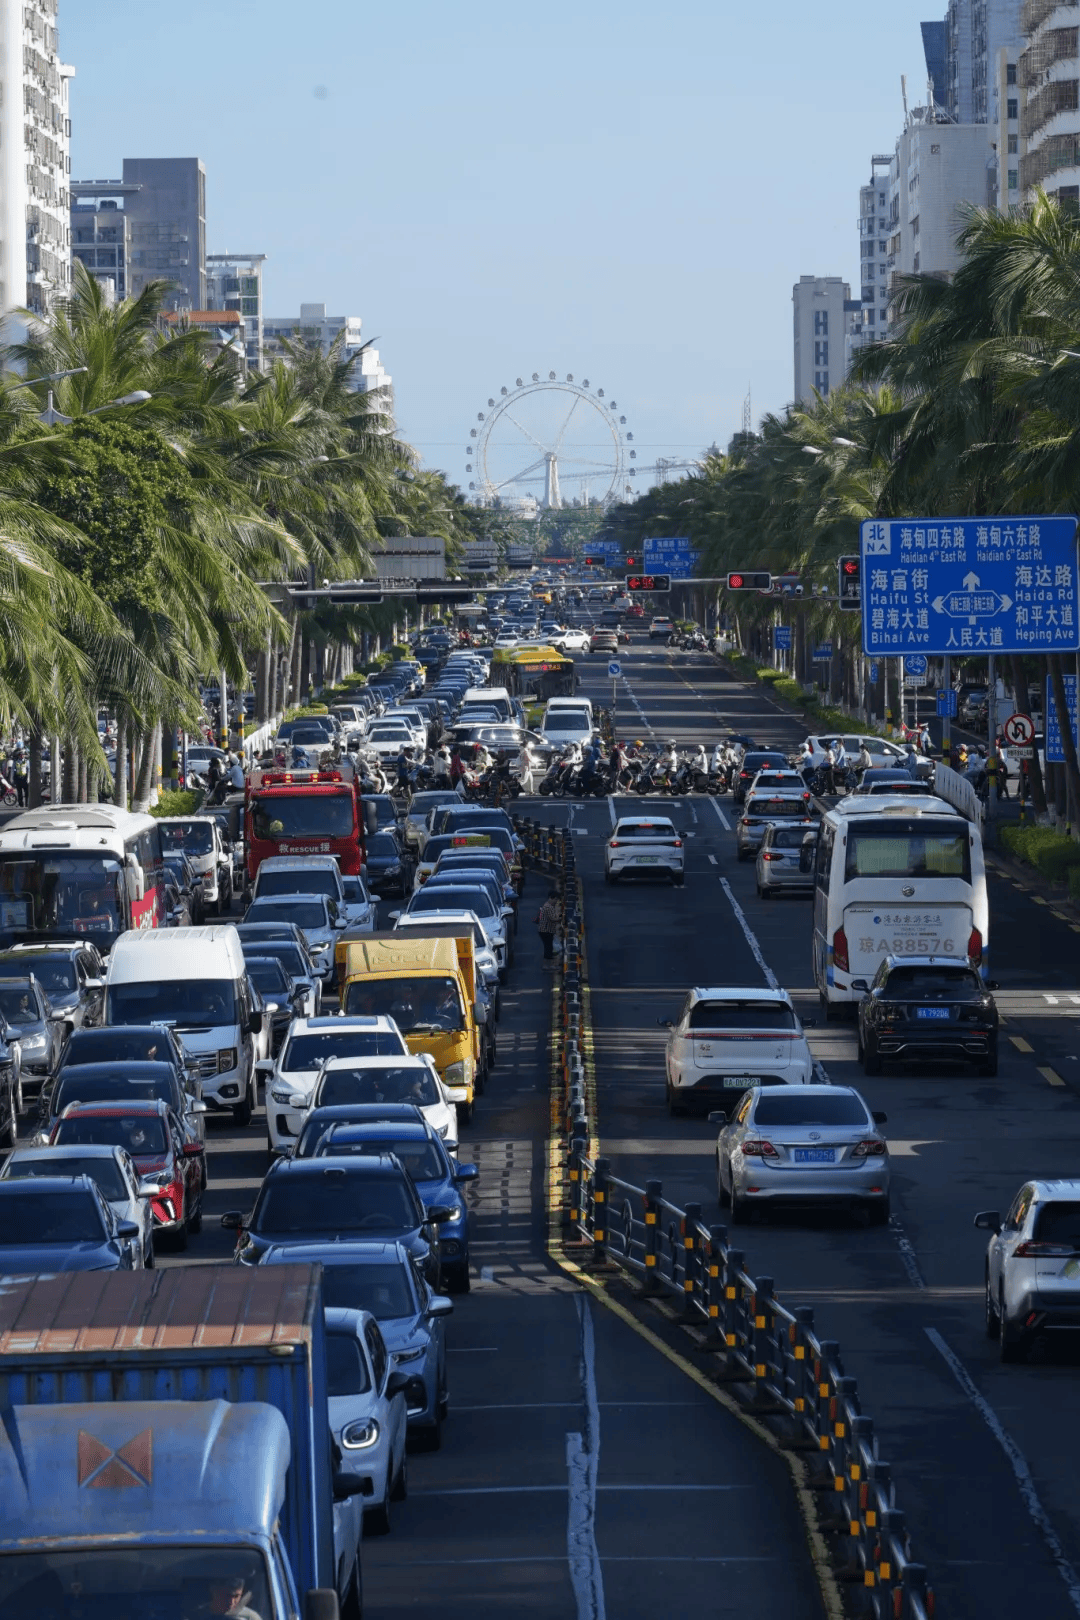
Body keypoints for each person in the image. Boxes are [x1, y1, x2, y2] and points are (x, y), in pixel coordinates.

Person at [185, 1572, 262, 1619]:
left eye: (236, 1596)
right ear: (214, 1590)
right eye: (227, 1595)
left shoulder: (250, 1617)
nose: (232, 1602)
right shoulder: (195, 1616)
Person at [536, 887, 561, 968]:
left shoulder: (547, 905)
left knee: (549, 947)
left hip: (545, 930)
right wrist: (560, 917)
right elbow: (553, 918)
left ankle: (549, 965)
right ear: (551, 898)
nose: (556, 901)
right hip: (546, 930)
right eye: (556, 899)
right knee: (548, 948)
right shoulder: (548, 907)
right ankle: (547, 965)